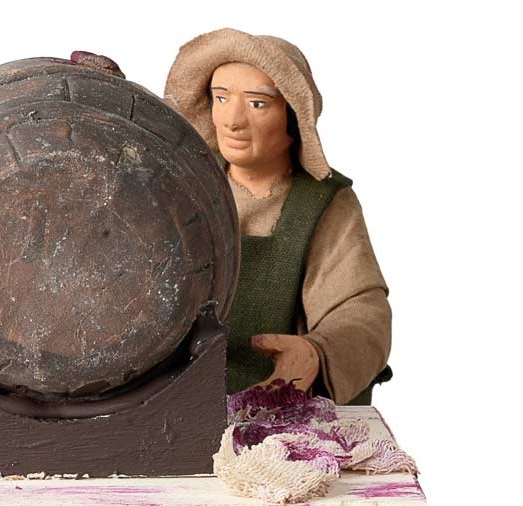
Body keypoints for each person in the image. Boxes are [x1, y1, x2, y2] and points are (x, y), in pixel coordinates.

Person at [165, 29, 392, 403]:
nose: (232, 120)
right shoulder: (182, 188)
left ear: (292, 116)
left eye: (257, 104)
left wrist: (316, 355)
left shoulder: (322, 203)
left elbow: (360, 310)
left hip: (284, 401)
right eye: (221, 98)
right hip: (178, 399)